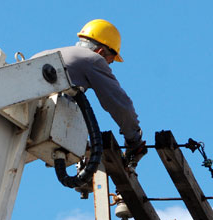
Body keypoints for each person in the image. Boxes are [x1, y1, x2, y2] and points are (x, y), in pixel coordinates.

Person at [34, 19, 146, 166]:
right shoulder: (92, 59)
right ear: (100, 52)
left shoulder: (46, 54)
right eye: (109, 62)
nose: (108, 67)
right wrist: (134, 140)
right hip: (41, 119)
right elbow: (118, 103)